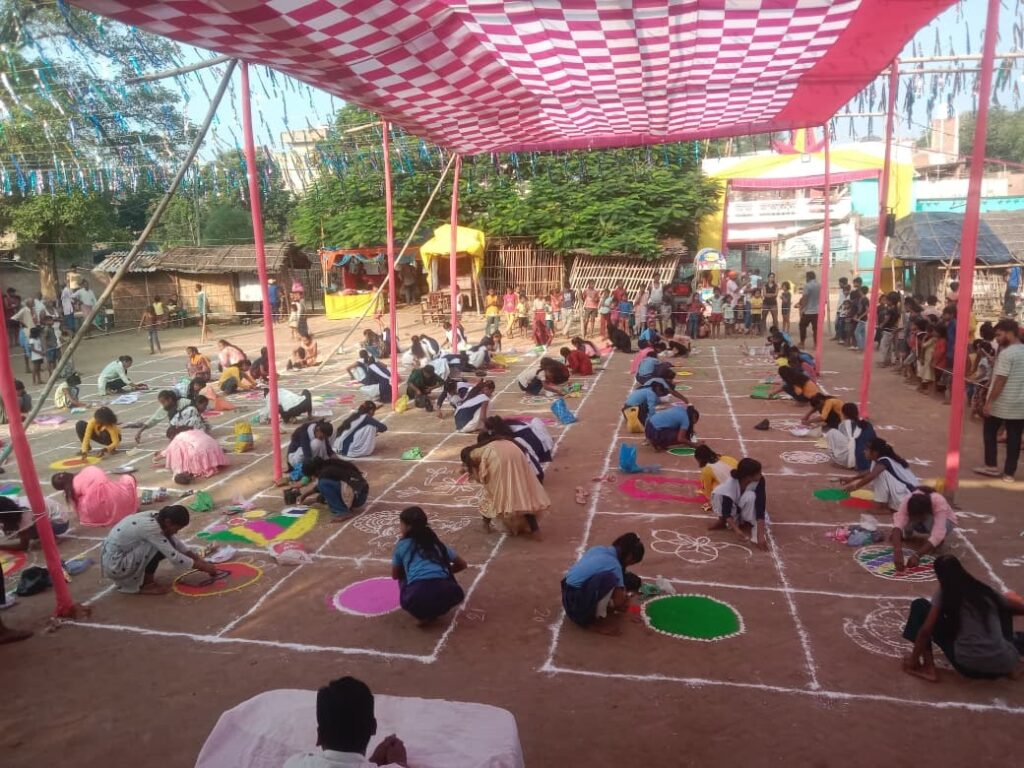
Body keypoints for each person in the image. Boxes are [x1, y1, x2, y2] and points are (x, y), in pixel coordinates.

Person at [902, 555, 1024, 682]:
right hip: (1006, 664)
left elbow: (925, 631)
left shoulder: (943, 592)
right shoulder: (984, 590)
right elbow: (1017, 608)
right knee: (1004, 607)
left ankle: (928, 668)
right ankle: (1014, 669)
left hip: (969, 667)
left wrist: (912, 662)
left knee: (920, 606)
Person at [283, 676, 407, 768]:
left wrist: (373, 761)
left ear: (319, 736)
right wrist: (399, 763)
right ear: (373, 728)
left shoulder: (294, 764)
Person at [101, 506, 218, 595]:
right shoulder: (152, 528)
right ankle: (147, 585)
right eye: (177, 528)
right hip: (116, 565)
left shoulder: (157, 517)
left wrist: (199, 560)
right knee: (158, 547)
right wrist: (204, 567)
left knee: (165, 542)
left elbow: (175, 542)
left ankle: (144, 580)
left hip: (118, 558)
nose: (176, 532)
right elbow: (174, 556)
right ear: (168, 522)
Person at [390, 506, 467, 625]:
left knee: (403, 576)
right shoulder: (436, 543)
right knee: (444, 573)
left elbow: (395, 575)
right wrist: (445, 571)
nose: (400, 527)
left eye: (401, 524)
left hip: (417, 596)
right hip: (447, 592)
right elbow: (462, 564)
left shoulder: (402, 545)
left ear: (408, 526)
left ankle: (421, 615)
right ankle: (435, 610)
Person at [462, 436, 550, 536]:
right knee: (522, 495)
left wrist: (474, 474)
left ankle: (485, 525)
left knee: (490, 496)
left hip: (500, 462)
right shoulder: (495, 442)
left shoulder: (473, 454)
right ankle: (535, 530)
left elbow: (482, 476)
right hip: (517, 457)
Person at [561, 533, 645, 630]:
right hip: (575, 608)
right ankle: (597, 621)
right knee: (610, 579)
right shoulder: (615, 565)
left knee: (621, 579)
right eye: (632, 562)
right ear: (629, 557)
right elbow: (619, 602)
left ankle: (592, 607)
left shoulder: (598, 549)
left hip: (567, 595)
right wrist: (625, 600)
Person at [975, 319, 1024, 482]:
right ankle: (1009, 473)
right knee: (1014, 437)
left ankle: (991, 466)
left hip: (1002, 402)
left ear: (1009, 333)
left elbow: (1001, 380)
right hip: (1020, 403)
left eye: (999, 335)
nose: (996, 338)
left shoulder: (1007, 353)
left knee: (989, 431)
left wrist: (989, 402)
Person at [841, 437, 919, 512]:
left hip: (909, 499)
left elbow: (872, 475)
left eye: (866, 449)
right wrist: (852, 479)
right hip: (911, 498)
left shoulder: (884, 461)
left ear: (875, 452)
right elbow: (870, 471)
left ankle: (882, 507)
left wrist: (855, 487)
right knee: (879, 474)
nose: (864, 451)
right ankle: (888, 505)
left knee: (879, 475)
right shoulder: (882, 460)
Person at [156, 399, 227, 481]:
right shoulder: (193, 430)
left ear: (173, 435)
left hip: (202, 453)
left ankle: (198, 467)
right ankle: (211, 463)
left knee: (184, 457)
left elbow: (168, 451)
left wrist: (156, 458)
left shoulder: (178, 437)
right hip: (215, 451)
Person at [890, 488, 957, 572]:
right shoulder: (908, 500)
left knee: (934, 529)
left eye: (918, 517)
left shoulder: (939, 501)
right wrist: (897, 551)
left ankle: (937, 543)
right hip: (922, 520)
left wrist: (917, 555)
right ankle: (908, 533)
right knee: (904, 522)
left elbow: (938, 533)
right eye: (913, 516)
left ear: (925, 513)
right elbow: (898, 521)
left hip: (947, 521)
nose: (914, 519)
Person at [709, 457, 769, 550]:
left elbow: (760, 505)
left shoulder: (760, 481)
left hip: (742, 506)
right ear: (748, 476)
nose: (761, 475)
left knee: (751, 496)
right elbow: (726, 510)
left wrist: (760, 535)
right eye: (758, 473)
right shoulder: (730, 485)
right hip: (732, 510)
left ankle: (748, 522)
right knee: (718, 493)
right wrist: (737, 530)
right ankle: (722, 520)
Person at [52, 465, 138, 528]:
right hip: (117, 497)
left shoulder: (72, 490)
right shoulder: (89, 469)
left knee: (83, 505)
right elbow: (103, 479)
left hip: (98, 509)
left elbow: (77, 509)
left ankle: (104, 515)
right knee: (127, 478)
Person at [301, 457, 369, 519]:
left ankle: (343, 512)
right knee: (323, 495)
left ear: (315, 470)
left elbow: (321, 486)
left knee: (323, 484)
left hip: (358, 497)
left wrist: (305, 495)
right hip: (360, 493)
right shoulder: (329, 464)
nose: (312, 477)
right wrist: (305, 495)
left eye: (311, 475)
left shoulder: (326, 472)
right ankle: (344, 506)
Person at [0, 494, 69, 551]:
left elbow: (23, 546)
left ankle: (53, 539)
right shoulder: (11, 504)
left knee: (27, 533)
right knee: (13, 531)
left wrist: (2, 547)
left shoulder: (24, 515)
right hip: (53, 513)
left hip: (60, 523)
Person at [134, 390, 204, 444]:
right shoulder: (165, 408)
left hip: (194, 428)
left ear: (170, 399)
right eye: (161, 403)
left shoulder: (185, 402)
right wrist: (140, 431)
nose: (163, 405)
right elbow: (154, 419)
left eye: (163, 402)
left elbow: (197, 413)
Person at [825, 403, 876, 470]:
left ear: (844, 414)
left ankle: (845, 462)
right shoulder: (867, 424)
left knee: (831, 432)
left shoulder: (844, 424)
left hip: (856, 458)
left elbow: (845, 442)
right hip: (870, 459)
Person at [795, 271, 819, 346]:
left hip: (808, 311)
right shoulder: (820, 285)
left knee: (802, 326)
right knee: (816, 328)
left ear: (808, 277)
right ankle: (816, 344)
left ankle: (802, 342)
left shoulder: (807, 285)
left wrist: (802, 308)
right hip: (817, 311)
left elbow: (805, 298)